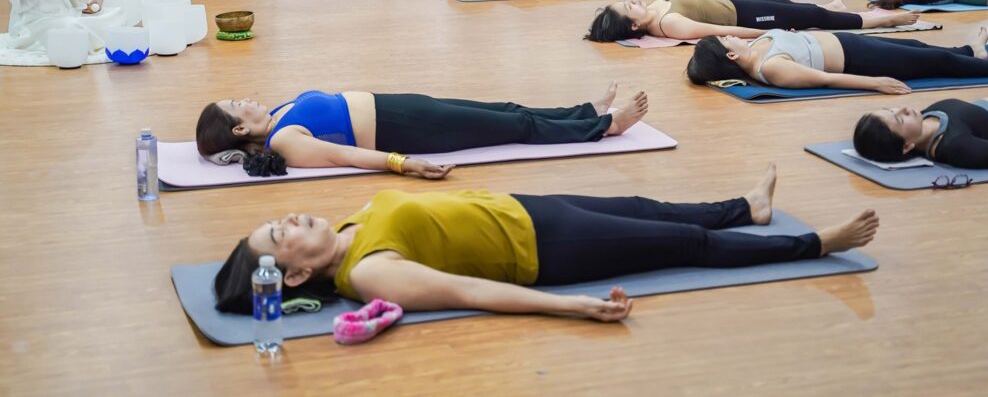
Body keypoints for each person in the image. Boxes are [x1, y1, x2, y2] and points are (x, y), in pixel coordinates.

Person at [210, 165, 880, 319]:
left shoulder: (347, 227)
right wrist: (573, 307)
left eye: (280, 219)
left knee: (646, 207)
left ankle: (747, 208)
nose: (290, 218)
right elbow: (468, 291)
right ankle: (812, 246)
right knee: (681, 242)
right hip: (549, 249)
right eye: (281, 234)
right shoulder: (367, 273)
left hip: (527, 209)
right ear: (293, 277)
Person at [195, 83, 649, 178]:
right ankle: (605, 126)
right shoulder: (283, 141)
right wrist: (403, 163)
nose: (245, 98)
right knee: (514, 126)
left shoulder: (279, 115)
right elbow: (347, 157)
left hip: (401, 107)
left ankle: (582, 110)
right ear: (240, 127)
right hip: (408, 128)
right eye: (236, 105)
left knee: (505, 108)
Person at [685, 26, 988, 94]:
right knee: (936, 63)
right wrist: (875, 83)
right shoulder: (771, 68)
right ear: (731, 55)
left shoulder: (755, 46)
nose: (730, 35)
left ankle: (972, 52)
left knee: (919, 47)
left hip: (849, 42)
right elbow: (828, 80)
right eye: (726, 40)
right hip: (862, 60)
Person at [585, 0, 917, 42]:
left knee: (794, 6)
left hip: (734, 2)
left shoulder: (653, 11)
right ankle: (882, 20)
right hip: (748, 17)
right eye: (629, 8)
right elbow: (721, 31)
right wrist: (770, 33)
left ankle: (839, 11)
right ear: (634, 25)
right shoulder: (669, 24)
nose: (633, 1)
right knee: (813, 16)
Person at [853, 96, 988, 169]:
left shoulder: (923, 118)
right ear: (906, 147)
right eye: (900, 119)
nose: (904, 108)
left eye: (891, 109)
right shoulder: (957, 146)